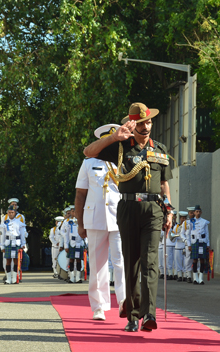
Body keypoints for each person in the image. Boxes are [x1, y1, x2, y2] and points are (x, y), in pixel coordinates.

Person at [84, 102, 174, 333]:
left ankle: (149, 314)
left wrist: (170, 209)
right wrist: (114, 137)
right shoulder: (122, 146)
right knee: (131, 262)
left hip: (153, 209)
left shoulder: (160, 148)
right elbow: (89, 152)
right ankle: (133, 315)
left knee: (150, 262)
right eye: (141, 123)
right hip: (127, 208)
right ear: (132, 124)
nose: (146, 127)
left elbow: (164, 182)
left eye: (149, 122)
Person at [74, 123, 126, 321]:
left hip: (119, 217)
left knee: (121, 261)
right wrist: (80, 223)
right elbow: (80, 194)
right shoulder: (89, 163)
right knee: (97, 264)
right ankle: (99, 306)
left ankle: (124, 302)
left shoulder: (124, 162)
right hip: (94, 218)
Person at [0, 207, 26, 284]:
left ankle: (14, 278)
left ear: (15, 213)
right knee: (8, 260)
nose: (11, 214)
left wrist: (23, 244)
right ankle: (8, 279)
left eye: (12, 212)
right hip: (8, 242)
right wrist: (2, 246)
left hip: (16, 242)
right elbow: (2, 235)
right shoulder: (4, 223)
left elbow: (22, 234)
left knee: (16, 261)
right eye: (9, 212)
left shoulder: (19, 223)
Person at [189, 205, 210, 285]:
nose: (198, 213)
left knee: (202, 260)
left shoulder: (204, 222)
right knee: (194, 259)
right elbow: (188, 234)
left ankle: (201, 278)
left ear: (201, 212)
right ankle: (195, 278)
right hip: (194, 242)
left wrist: (208, 244)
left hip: (202, 241)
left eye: (199, 212)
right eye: (196, 211)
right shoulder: (190, 222)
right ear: (194, 212)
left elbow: (207, 234)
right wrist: (189, 244)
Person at [173, 211, 189, 282]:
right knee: (178, 262)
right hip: (178, 245)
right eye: (182, 218)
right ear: (180, 218)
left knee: (186, 262)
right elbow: (172, 236)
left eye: (185, 218)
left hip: (185, 245)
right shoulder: (176, 226)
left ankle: (185, 275)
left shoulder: (188, 226)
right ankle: (179, 275)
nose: (184, 219)